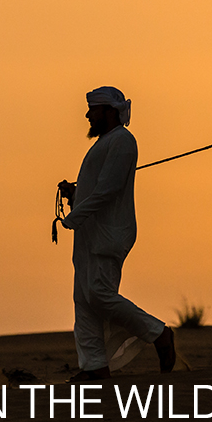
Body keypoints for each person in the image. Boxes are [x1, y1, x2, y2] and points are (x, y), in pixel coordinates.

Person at [56, 86, 176, 381]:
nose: (87, 114)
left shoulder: (123, 141)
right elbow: (97, 190)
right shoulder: (106, 144)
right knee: (83, 300)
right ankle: (94, 365)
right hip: (89, 234)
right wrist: (76, 197)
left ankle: (159, 334)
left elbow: (109, 190)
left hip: (108, 234)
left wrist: (75, 216)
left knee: (98, 294)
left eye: (93, 110)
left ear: (109, 112)